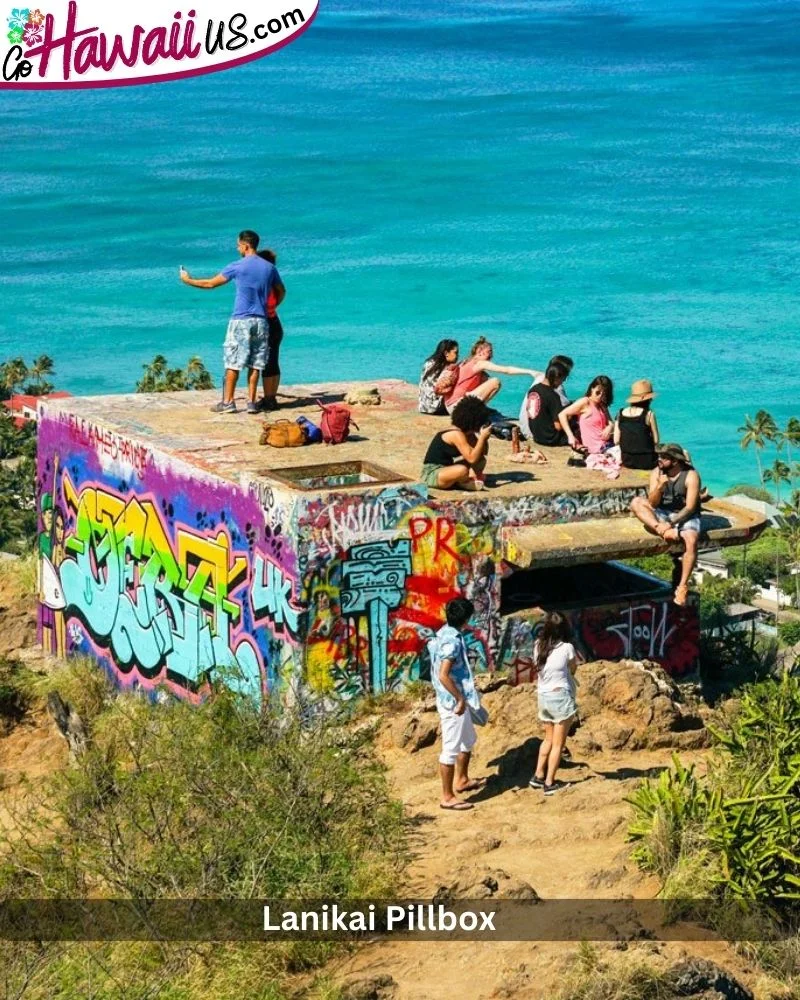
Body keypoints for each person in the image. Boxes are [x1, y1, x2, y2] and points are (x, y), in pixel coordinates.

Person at [181, 230, 285, 414]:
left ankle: (228, 401)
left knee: (233, 362)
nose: (237, 248)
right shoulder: (269, 268)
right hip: (261, 321)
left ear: (245, 245)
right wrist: (270, 306)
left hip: (241, 319)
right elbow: (281, 290)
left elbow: (210, 284)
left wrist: (187, 279)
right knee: (256, 363)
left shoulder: (237, 266)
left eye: (238, 245)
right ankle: (251, 403)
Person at [428, 597, 486, 811]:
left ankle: (461, 780)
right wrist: (460, 699)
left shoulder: (445, 632)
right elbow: (444, 674)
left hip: (454, 698)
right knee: (450, 749)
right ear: (466, 618)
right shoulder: (452, 641)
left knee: (468, 740)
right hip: (453, 701)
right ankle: (447, 796)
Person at [630, 443, 702, 606]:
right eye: (659, 456)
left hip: (683, 514)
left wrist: (670, 523)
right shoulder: (656, 473)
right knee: (637, 503)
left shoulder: (691, 475)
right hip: (662, 512)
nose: (659, 459)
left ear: (675, 461)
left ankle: (682, 585)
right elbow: (652, 503)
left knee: (691, 541)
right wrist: (660, 487)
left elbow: (690, 507)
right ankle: (660, 529)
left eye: (664, 457)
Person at [529, 612, 578, 796]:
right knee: (558, 744)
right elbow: (573, 668)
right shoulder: (567, 648)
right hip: (560, 697)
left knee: (548, 739)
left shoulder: (537, 646)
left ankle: (537, 775)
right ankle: (550, 782)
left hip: (543, 696)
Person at [444, 337, 542, 413]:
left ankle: (477, 411)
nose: (491, 355)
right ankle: (476, 412)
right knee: (495, 382)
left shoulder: (465, 361)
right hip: (457, 406)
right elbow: (507, 370)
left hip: (449, 405)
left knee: (485, 378)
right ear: (479, 351)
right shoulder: (480, 363)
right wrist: (530, 372)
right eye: (489, 351)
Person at [421, 396, 492, 491]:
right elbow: (471, 458)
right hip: (433, 474)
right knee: (462, 470)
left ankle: (465, 480)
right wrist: (482, 438)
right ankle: (463, 482)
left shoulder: (467, 434)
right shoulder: (455, 434)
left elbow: (481, 453)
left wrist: (484, 438)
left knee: (481, 460)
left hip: (447, 469)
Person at [257, 249, 287, 412]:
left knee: (267, 362)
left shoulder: (264, 283)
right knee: (273, 360)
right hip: (275, 321)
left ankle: (269, 399)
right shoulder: (273, 282)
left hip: (267, 322)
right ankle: (271, 397)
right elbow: (282, 292)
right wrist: (274, 306)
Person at [558, 375, 614, 455]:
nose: (600, 396)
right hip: (595, 448)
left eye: (604, 394)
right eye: (598, 392)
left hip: (606, 444)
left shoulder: (602, 405)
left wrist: (610, 427)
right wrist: (570, 436)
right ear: (592, 389)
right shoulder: (585, 402)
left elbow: (610, 421)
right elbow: (562, 414)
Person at [521, 361, 570, 447]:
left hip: (537, 436)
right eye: (563, 379)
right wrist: (569, 416)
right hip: (551, 438)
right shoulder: (553, 396)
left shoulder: (533, 389)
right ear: (557, 378)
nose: (562, 383)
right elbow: (558, 426)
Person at [614, 378, 660, 470]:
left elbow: (616, 441)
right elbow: (656, 440)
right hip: (647, 461)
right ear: (648, 399)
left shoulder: (620, 413)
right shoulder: (649, 414)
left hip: (627, 460)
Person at [418, 339, 459, 415]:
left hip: (424, 406)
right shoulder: (447, 368)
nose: (458, 356)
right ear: (446, 353)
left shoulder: (429, 363)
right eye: (455, 353)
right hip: (436, 407)